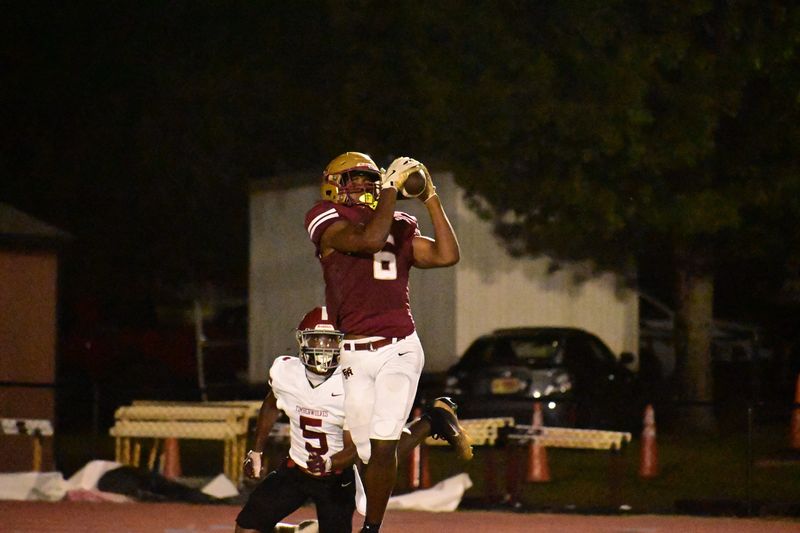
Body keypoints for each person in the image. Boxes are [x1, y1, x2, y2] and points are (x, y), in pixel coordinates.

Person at [304, 152, 471, 533]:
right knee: (364, 452)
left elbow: (447, 254)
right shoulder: (325, 216)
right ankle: (434, 420)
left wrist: (431, 197)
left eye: (368, 178)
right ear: (333, 183)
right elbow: (369, 239)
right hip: (352, 352)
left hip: (399, 346)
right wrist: (391, 192)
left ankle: (371, 530)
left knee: (382, 444)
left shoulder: (398, 220)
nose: (362, 185)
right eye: (353, 179)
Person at [234, 306, 467, 533]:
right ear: (302, 341)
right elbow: (272, 403)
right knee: (246, 527)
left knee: (378, 454)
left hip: (337, 477)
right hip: (295, 469)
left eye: (330, 340)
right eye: (316, 340)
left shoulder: (351, 382)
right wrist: (256, 451)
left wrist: (328, 463)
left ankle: (431, 421)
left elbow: (354, 448)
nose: (323, 348)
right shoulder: (285, 371)